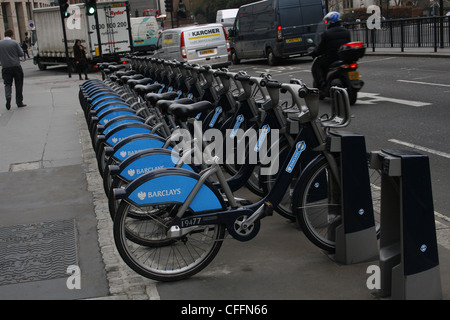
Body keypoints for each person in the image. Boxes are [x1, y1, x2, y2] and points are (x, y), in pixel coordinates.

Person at [311, 12, 351, 89]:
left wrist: (315, 52)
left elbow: (321, 48)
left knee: (318, 65)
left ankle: (322, 82)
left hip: (331, 58)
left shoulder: (327, 33)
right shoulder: (346, 31)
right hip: (344, 58)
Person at [0, 29, 26, 110]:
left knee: (7, 84)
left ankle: (8, 97)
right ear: (11, 35)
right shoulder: (14, 43)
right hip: (16, 66)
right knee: (18, 84)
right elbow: (21, 53)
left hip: (5, 67)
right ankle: (19, 102)